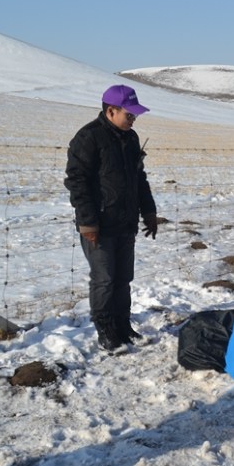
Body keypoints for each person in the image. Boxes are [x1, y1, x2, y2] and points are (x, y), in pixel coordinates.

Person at [64, 84, 158, 351]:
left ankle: (123, 325)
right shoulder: (88, 138)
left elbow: (139, 178)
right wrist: (87, 222)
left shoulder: (131, 138)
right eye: (129, 114)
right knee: (104, 279)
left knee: (123, 278)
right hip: (100, 226)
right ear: (111, 110)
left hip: (125, 222)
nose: (133, 119)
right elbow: (77, 182)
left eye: (135, 115)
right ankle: (105, 330)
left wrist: (148, 211)